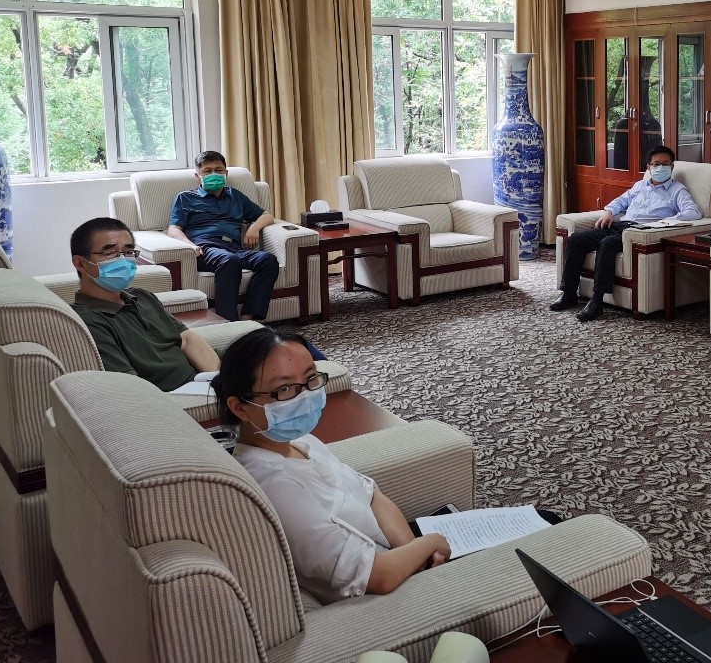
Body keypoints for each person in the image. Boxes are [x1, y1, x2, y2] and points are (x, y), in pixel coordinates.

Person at [213, 329, 451, 604]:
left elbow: (372, 497)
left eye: (310, 379)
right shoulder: (275, 487)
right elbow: (377, 576)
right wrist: (429, 543)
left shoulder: (301, 442)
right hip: (372, 601)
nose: (305, 397)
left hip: (403, 563)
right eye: (284, 389)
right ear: (240, 408)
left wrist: (414, 553)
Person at [70, 217, 221, 392]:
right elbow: (133, 389)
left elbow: (186, 339)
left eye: (128, 252)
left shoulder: (141, 296)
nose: (122, 260)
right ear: (80, 263)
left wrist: (220, 381)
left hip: (207, 381)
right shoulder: (87, 322)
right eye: (110, 253)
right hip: (179, 396)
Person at [552, 145, 701, 322]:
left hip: (640, 232)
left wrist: (663, 222)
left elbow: (693, 212)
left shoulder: (677, 190)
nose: (661, 168)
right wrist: (608, 212)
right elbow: (620, 201)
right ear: (648, 167)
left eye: (665, 164)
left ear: (672, 166)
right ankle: (569, 293)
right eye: (656, 164)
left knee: (607, 243)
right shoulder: (640, 186)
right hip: (620, 225)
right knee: (576, 239)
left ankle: (597, 301)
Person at [168, 150, 278, 322]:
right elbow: (173, 229)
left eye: (218, 170)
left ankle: (248, 317)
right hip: (205, 248)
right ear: (198, 175)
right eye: (207, 171)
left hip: (234, 248)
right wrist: (189, 246)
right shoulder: (185, 198)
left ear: (226, 173)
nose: (214, 174)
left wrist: (254, 228)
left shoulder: (235, 196)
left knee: (268, 260)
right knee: (229, 261)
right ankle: (228, 322)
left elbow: (267, 216)